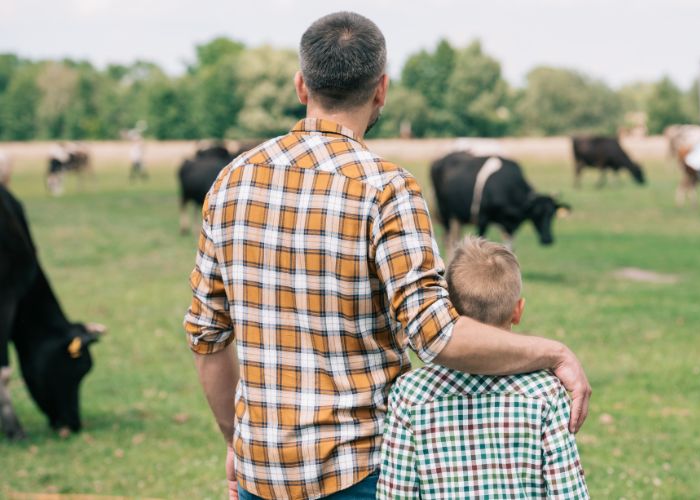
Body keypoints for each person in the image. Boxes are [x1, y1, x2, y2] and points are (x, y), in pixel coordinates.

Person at [183, 11, 590, 500]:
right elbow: (435, 334)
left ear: (301, 85)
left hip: (259, 474)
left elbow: (207, 336)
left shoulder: (231, 181)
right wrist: (554, 353)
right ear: (381, 90)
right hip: (366, 473)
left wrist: (236, 441)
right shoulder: (388, 189)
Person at [378, 237, 589, 499]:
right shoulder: (546, 393)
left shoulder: (410, 393)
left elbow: (396, 493)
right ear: (517, 311)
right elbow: (568, 492)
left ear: (448, 309)